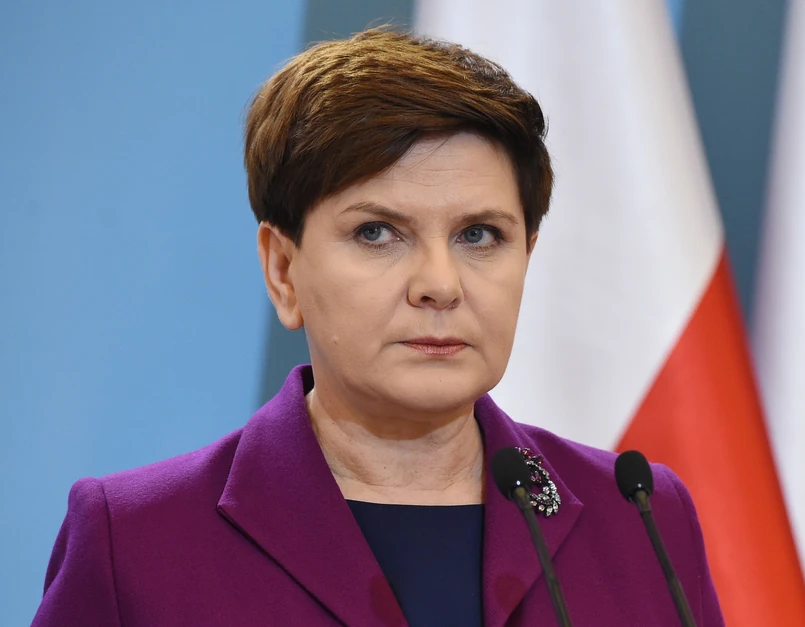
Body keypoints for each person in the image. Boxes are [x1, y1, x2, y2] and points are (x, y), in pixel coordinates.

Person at [32, 28, 725, 626]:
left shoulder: (639, 517)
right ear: (282, 269)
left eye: (479, 235)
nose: (440, 284)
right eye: (377, 232)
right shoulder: (137, 540)